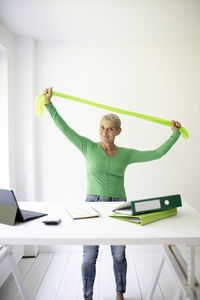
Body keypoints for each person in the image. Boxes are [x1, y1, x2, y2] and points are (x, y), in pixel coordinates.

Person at [43, 87, 181, 300]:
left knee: (119, 255)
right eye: (102, 127)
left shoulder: (126, 154)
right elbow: (65, 128)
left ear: (118, 131)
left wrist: (175, 134)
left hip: (118, 206)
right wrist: (49, 105)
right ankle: (87, 296)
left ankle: (120, 294)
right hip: (92, 205)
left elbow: (156, 153)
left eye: (110, 129)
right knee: (89, 256)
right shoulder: (87, 146)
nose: (105, 132)